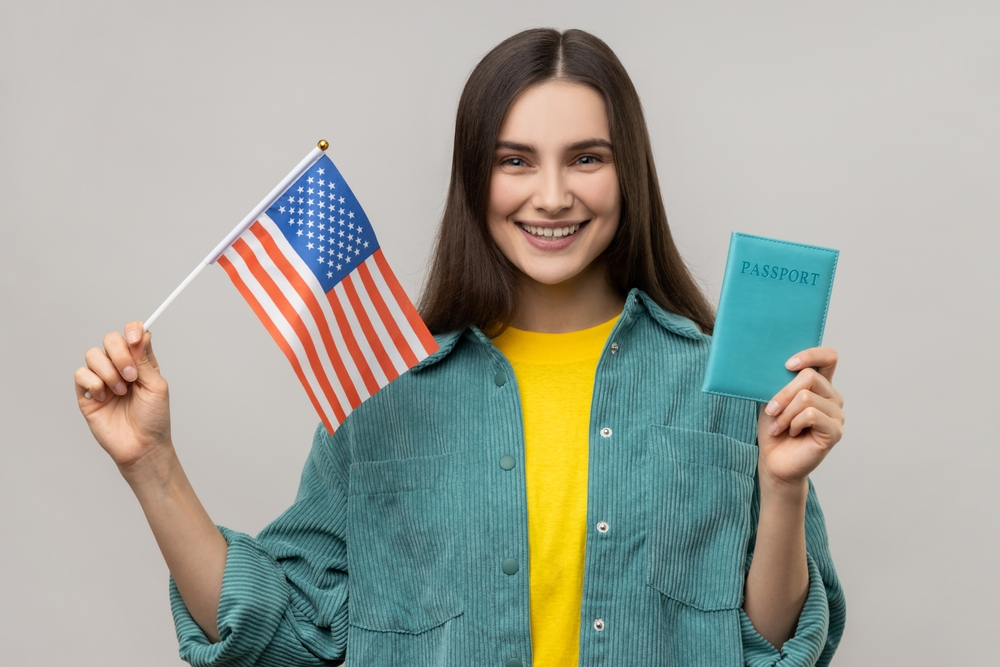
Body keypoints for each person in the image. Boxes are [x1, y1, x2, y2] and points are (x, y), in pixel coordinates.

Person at [75, 28, 846, 667]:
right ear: (474, 177)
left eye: (587, 157)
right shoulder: (386, 390)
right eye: (515, 160)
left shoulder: (723, 383)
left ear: (628, 172)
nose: (551, 195)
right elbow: (285, 637)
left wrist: (780, 488)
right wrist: (151, 465)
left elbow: (774, 650)